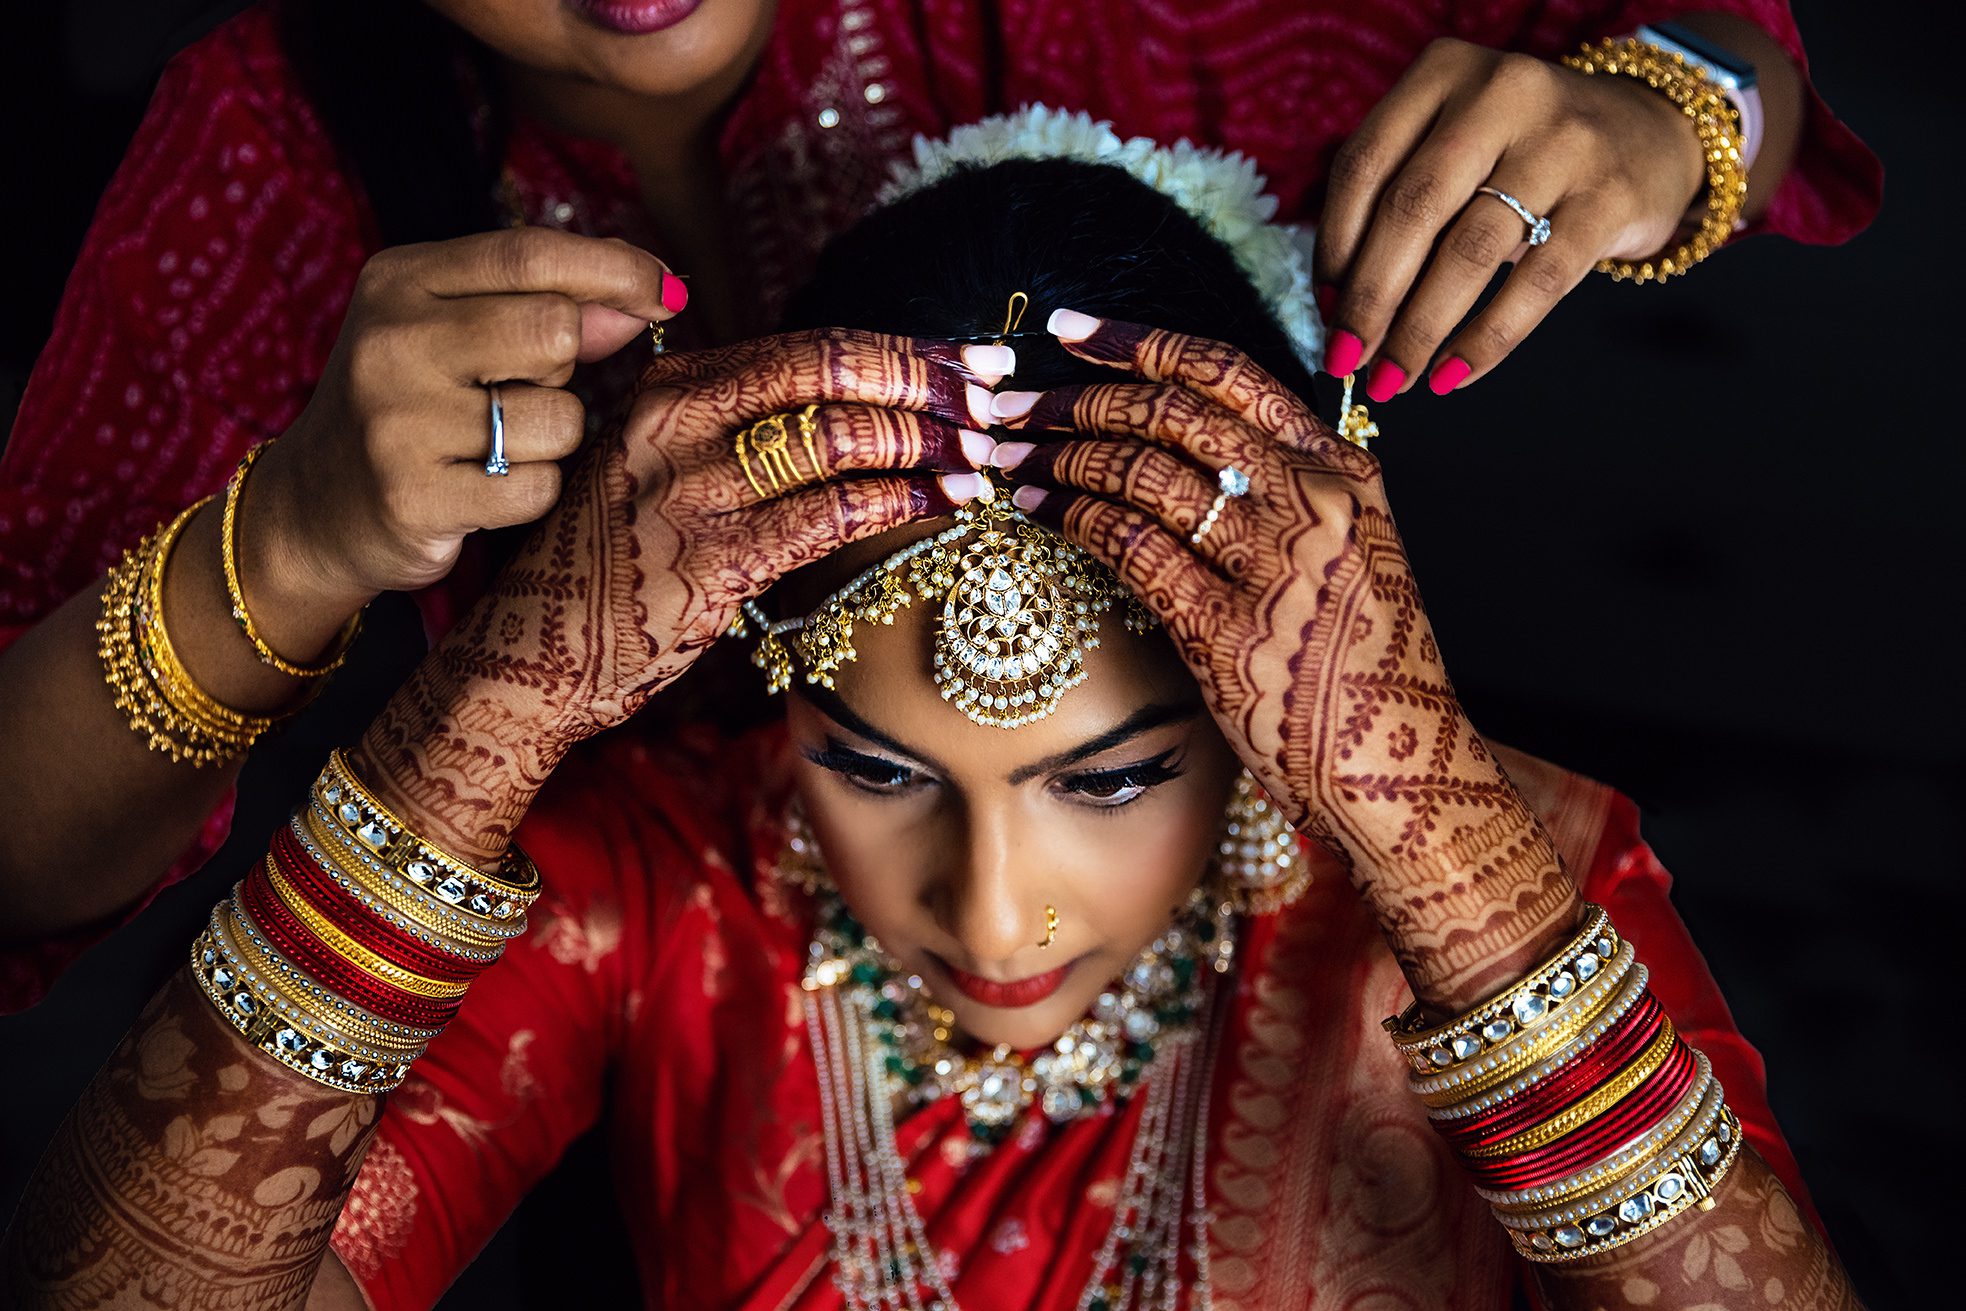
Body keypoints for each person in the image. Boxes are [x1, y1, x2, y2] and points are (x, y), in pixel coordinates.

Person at [2, 132, 1858, 1309]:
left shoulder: (1495, 869)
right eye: (875, 768)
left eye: (1116, 774)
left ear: (1267, 696)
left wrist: (1447, 849)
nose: (992, 914)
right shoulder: (656, 886)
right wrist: (485, 720)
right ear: (766, 692)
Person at [0, 0, 1881, 1011]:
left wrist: (1667, 109)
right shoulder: (269, 145)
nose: (988, 927)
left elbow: (1725, 48)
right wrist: (297, 537)